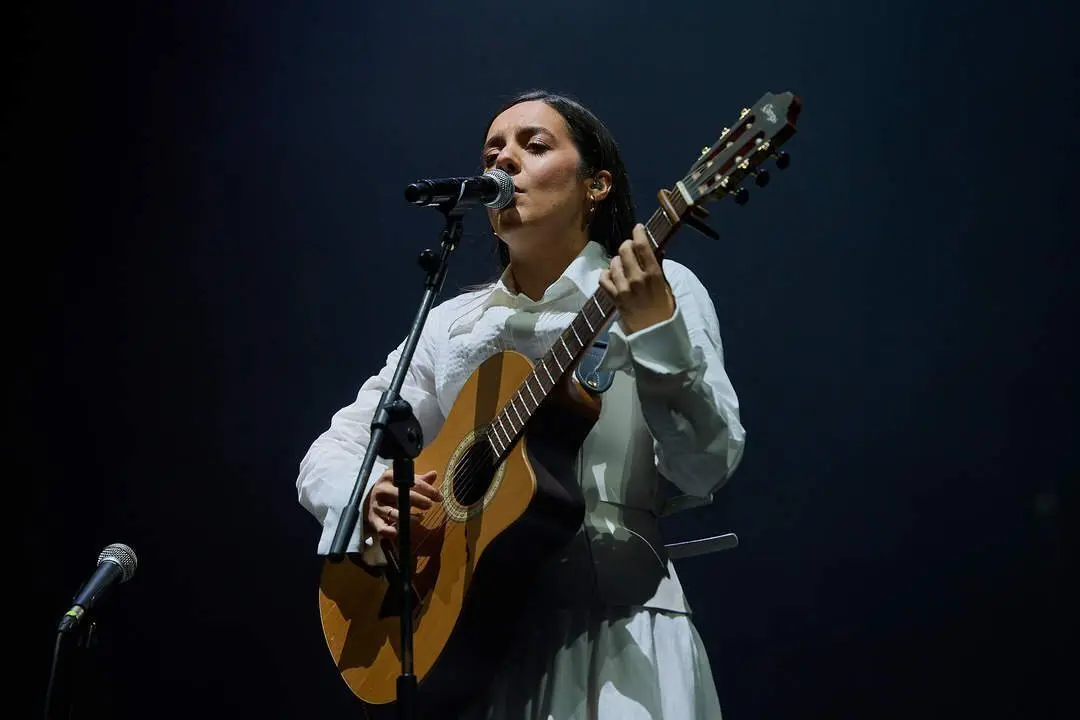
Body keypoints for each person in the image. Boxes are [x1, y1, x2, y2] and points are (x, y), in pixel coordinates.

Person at [297, 89, 746, 720]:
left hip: (619, 640)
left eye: (533, 146)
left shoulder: (656, 289)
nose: (503, 161)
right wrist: (369, 492)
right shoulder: (451, 325)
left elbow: (705, 466)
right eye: (492, 151)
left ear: (596, 185)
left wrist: (652, 329)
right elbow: (338, 446)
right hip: (474, 643)